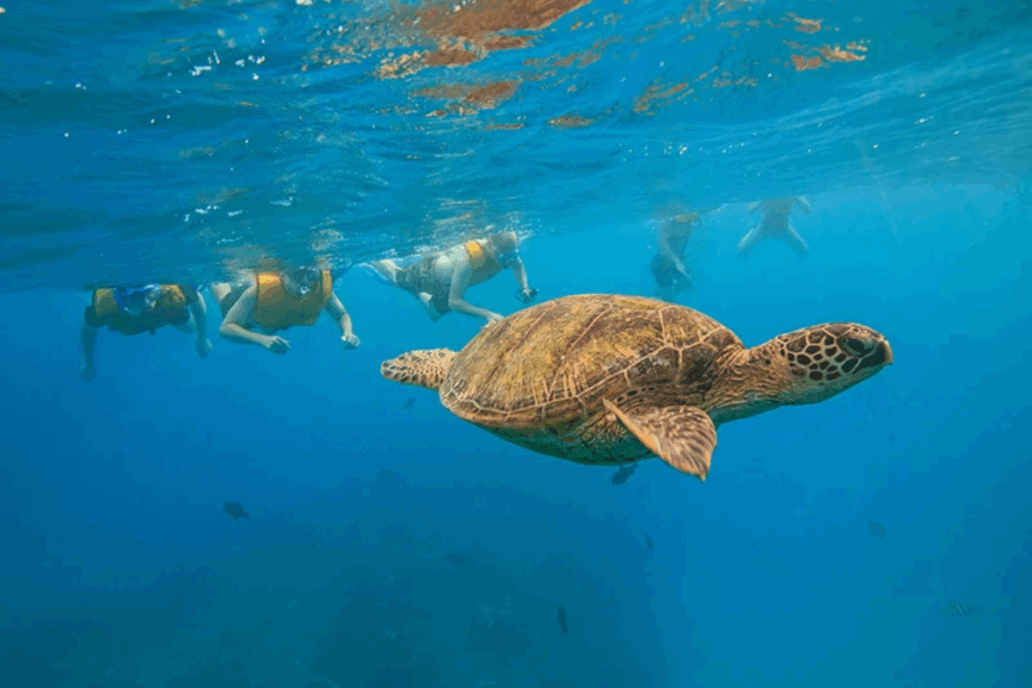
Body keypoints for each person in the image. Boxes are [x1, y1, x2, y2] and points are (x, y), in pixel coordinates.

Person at [362, 230, 536, 326]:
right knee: (396, 276)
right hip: (426, 276)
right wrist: (487, 314)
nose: (507, 261)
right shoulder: (467, 260)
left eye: (511, 255)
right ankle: (367, 255)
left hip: (446, 284)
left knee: (435, 315)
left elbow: (518, 266)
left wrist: (525, 288)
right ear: (489, 244)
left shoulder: (506, 253)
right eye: (503, 257)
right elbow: (454, 302)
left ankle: (421, 296)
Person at [208, 263, 360, 355]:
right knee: (223, 300)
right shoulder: (259, 290)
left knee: (269, 329)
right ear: (284, 275)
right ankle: (210, 279)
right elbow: (225, 328)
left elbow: (341, 314)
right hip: (253, 316)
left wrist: (348, 333)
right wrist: (262, 340)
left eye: (311, 276)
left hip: (277, 319)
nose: (305, 284)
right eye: (299, 276)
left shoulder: (318, 285)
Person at [80, 284, 211, 381]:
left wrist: (202, 339)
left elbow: (198, 303)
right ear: (125, 297)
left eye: (152, 293)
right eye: (138, 296)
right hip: (125, 322)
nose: (149, 302)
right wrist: (88, 362)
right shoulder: (105, 306)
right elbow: (88, 331)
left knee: (191, 328)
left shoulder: (169, 293)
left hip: (164, 313)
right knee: (120, 326)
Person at [738, 196, 813, 256]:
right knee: (741, 251)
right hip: (765, 227)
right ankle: (752, 230)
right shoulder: (768, 190)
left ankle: (753, 230)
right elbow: (750, 210)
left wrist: (797, 196)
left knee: (805, 251)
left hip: (783, 228)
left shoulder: (794, 191)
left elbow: (808, 210)